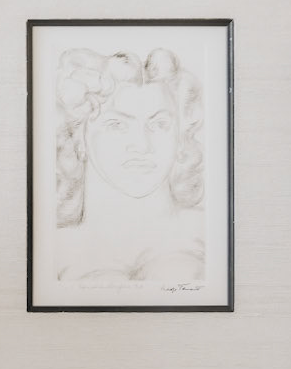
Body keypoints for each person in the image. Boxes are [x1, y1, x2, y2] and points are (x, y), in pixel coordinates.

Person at [53, 45, 206, 290]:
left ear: (181, 137)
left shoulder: (209, 234)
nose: (142, 146)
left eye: (159, 124)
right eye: (116, 125)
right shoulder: (52, 249)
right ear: (79, 137)